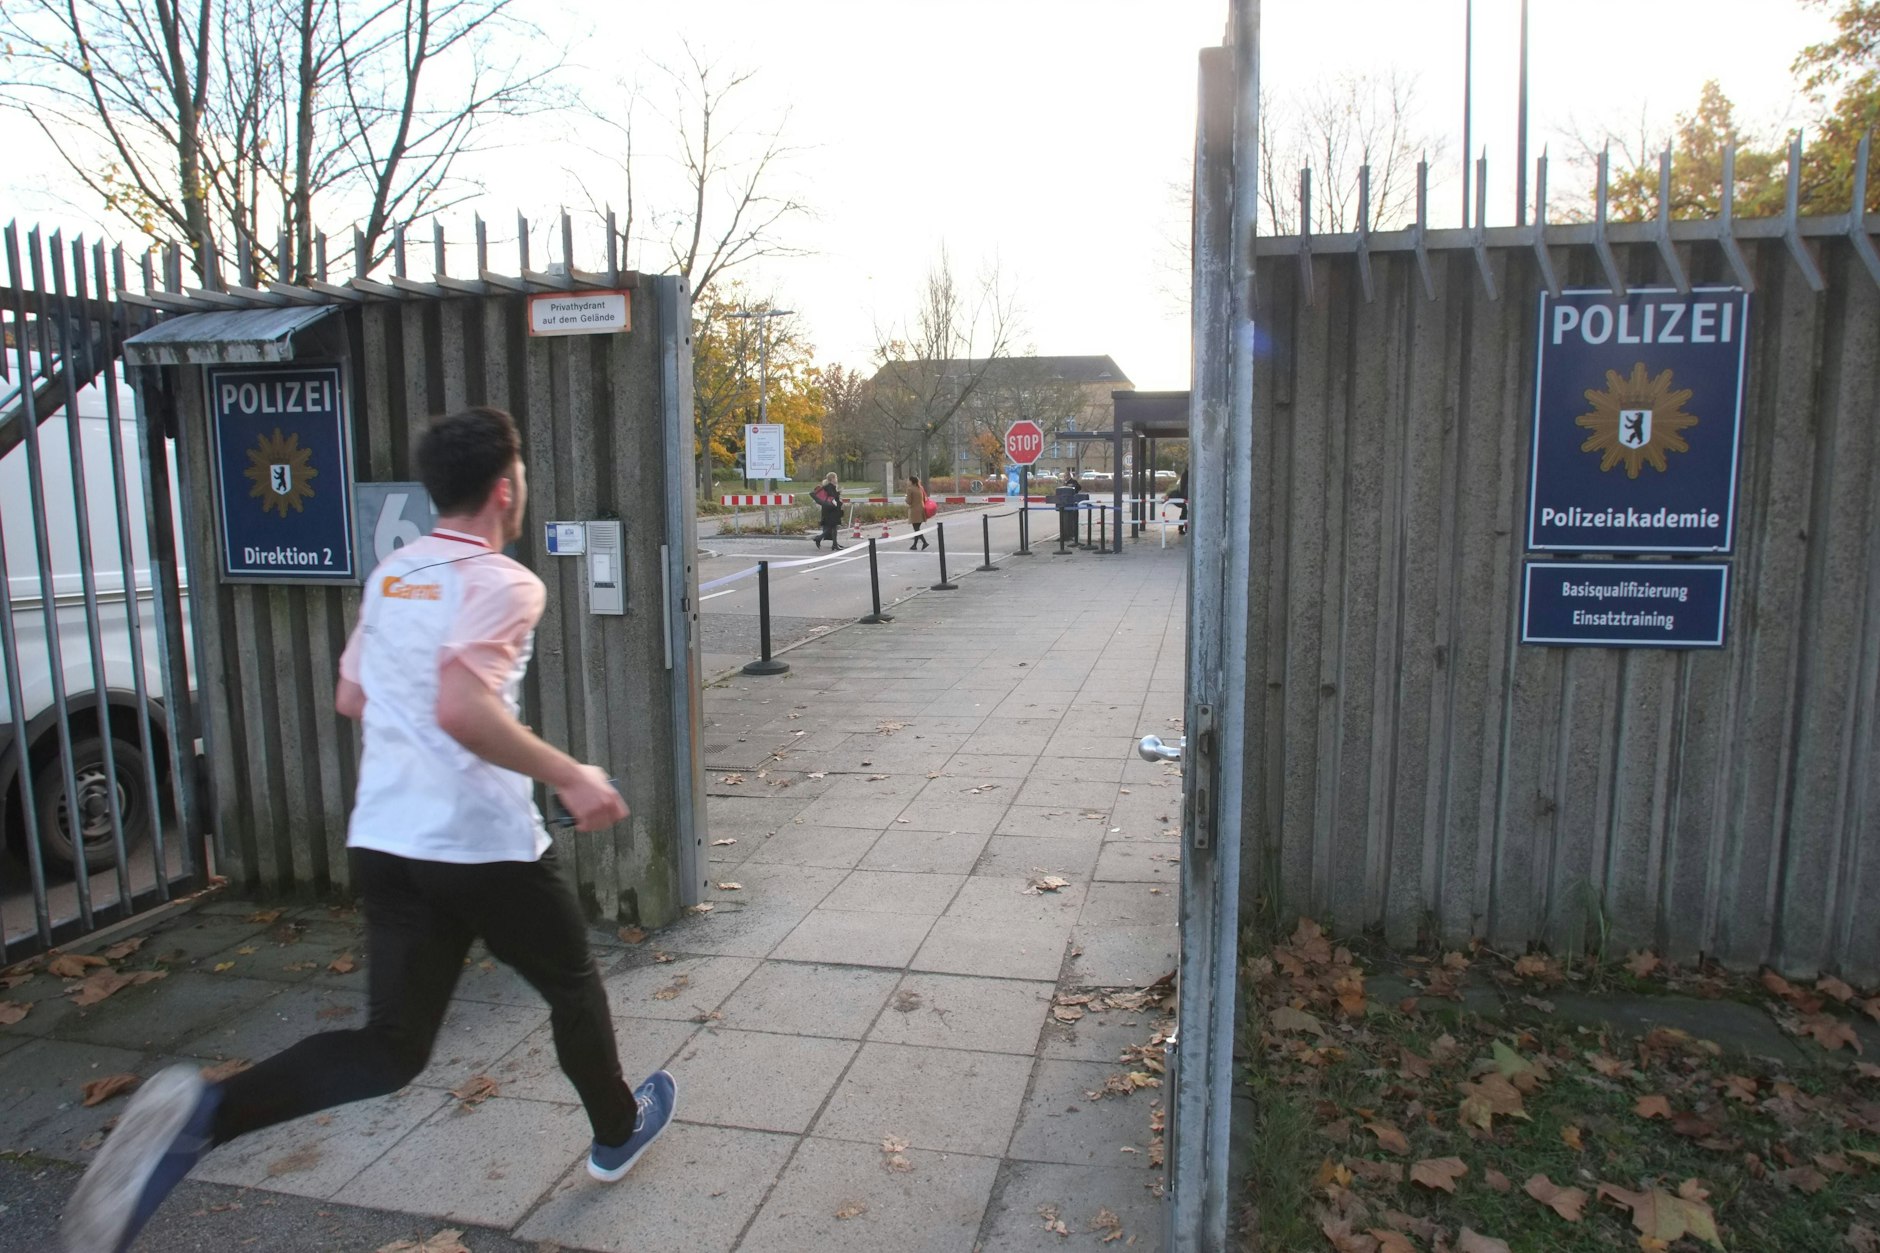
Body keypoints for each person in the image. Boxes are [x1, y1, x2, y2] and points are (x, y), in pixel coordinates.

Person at [62, 407, 676, 1253]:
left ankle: (206, 1115)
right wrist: (569, 772)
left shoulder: (395, 573)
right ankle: (615, 1130)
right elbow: (461, 707)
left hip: (386, 840)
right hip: (481, 843)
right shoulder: (504, 582)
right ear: (506, 488)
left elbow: (353, 696)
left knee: (391, 1047)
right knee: (572, 984)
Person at [812, 471, 844, 550]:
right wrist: (838, 493)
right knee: (832, 526)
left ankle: (834, 544)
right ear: (832, 478)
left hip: (830, 509)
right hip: (831, 510)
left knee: (833, 527)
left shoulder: (830, 486)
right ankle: (819, 538)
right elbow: (832, 497)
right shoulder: (829, 487)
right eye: (836, 478)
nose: (837, 479)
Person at [905, 475, 929, 550]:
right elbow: (924, 499)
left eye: (908, 480)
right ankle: (914, 545)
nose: (907, 482)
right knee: (917, 528)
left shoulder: (910, 489)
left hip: (914, 511)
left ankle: (924, 542)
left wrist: (906, 498)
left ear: (911, 482)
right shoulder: (920, 488)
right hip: (921, 510)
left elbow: (909, 501)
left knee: (916, 529)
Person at [1167, 468, 1189, 536]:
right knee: (1185, 513)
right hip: (1186, 497)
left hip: (1183, 496)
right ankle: (1185, 529)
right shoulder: (1188, 475)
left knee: (1184, 513)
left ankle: (1182, 528)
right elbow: (1186, 487)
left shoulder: (1185, 474)